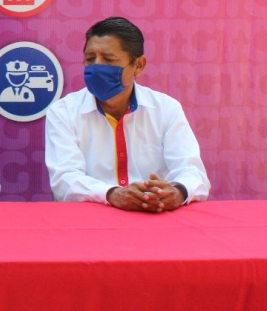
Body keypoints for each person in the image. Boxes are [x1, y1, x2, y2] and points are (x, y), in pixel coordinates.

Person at [45, 16, 210, 211]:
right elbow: (64, 179)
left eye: (108, 60)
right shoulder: (63, 112)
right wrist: (111, 194)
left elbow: (192, 172)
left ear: (138, 65)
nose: (96, 68)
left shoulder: (166, 109)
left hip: (154, 215)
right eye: (90, 59)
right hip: (91, 216)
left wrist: (177, 192)